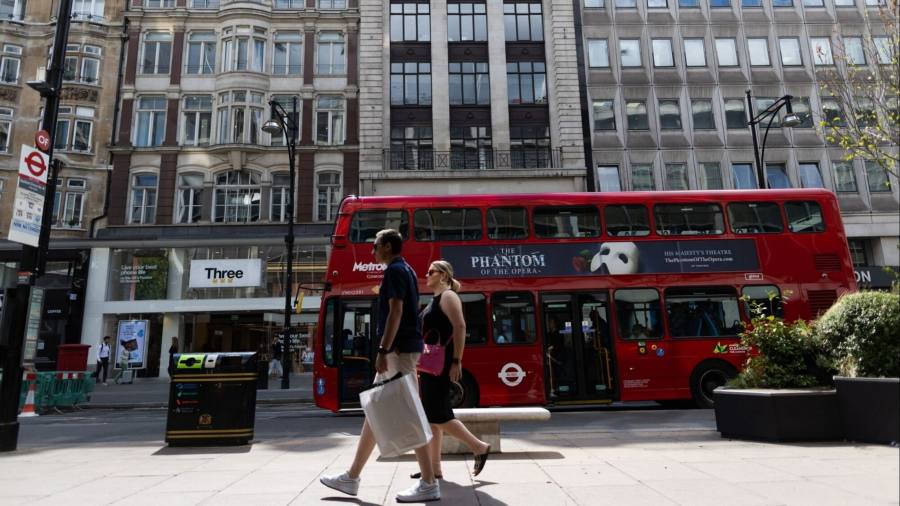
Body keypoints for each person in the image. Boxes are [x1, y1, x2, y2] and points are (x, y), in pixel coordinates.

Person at [321, 229, 440, 502]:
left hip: (397, 351)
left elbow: (396, 312)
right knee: (375, 409)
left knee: (410, 414)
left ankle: (429, 482)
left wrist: (382, 349)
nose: (371, 251)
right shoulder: (405, 270)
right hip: (401, 350)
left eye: (374, 246)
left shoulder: (396, 271)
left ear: (387, 246)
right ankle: (351, 477)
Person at [413, 260, 491, 481]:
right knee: (432, 417)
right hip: (431, 366)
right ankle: (434, 468)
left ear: (444, 275)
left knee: (440, 415)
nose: (426, 274)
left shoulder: (448, 297)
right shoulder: (434, 300)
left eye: (431, 272)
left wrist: (457, 360)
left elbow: (460, 326)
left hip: (441, 364)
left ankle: (479, 446)